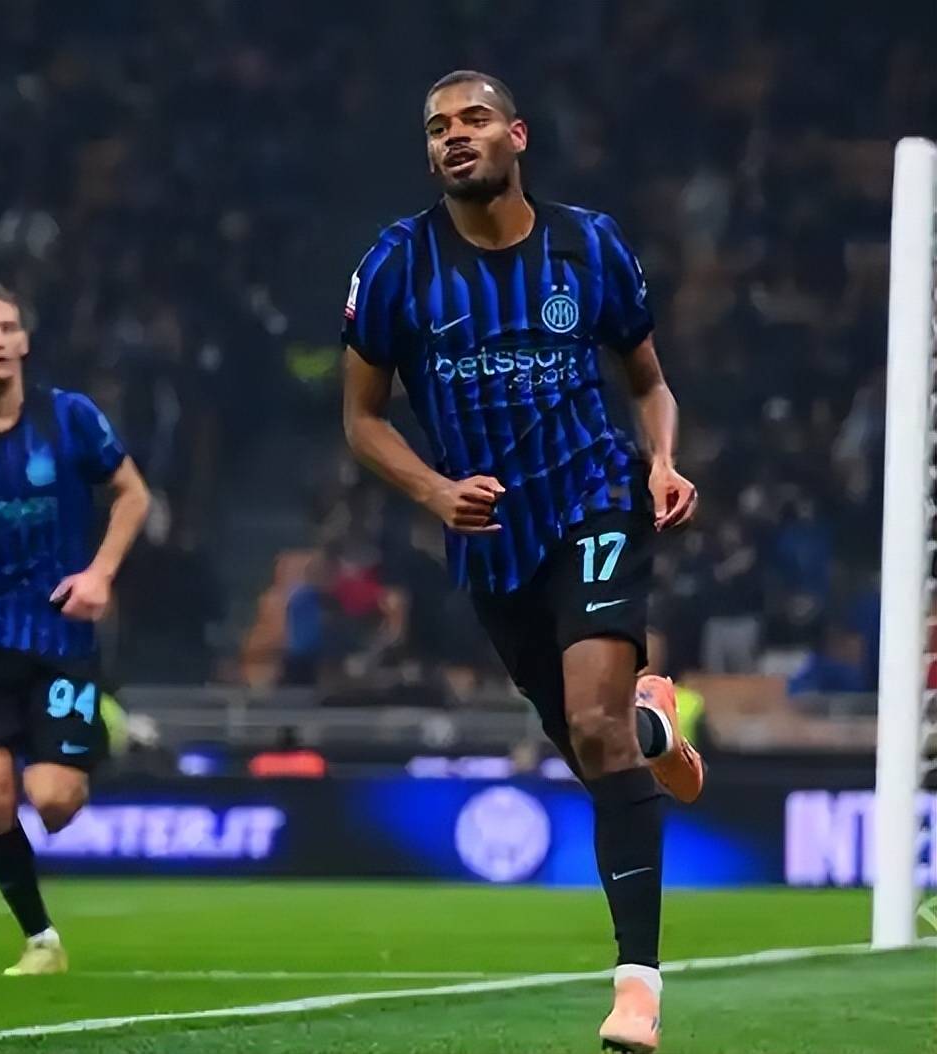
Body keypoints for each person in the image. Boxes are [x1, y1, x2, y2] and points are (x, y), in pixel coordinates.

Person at [341, 70, 704, 1052]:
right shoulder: (396, 265)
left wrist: (661, 459)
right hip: (491, 541)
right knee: (596, 749)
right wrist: (433, 491)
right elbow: (361, 419)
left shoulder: (588, 245)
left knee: (591, 724)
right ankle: (654, 730)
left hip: (594, 498)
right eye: (437, 128)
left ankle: (636, 990)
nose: (453, 136)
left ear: (517, 135)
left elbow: (648, 382)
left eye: (473, 120)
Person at [0, 284, 150, 975]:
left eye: (9, 327)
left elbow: (134, 494)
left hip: (59, 633)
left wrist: (100, 573)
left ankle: (100, 728)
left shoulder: (69, 417)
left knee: (54, 802)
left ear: (24, 343)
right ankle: (41, 939)